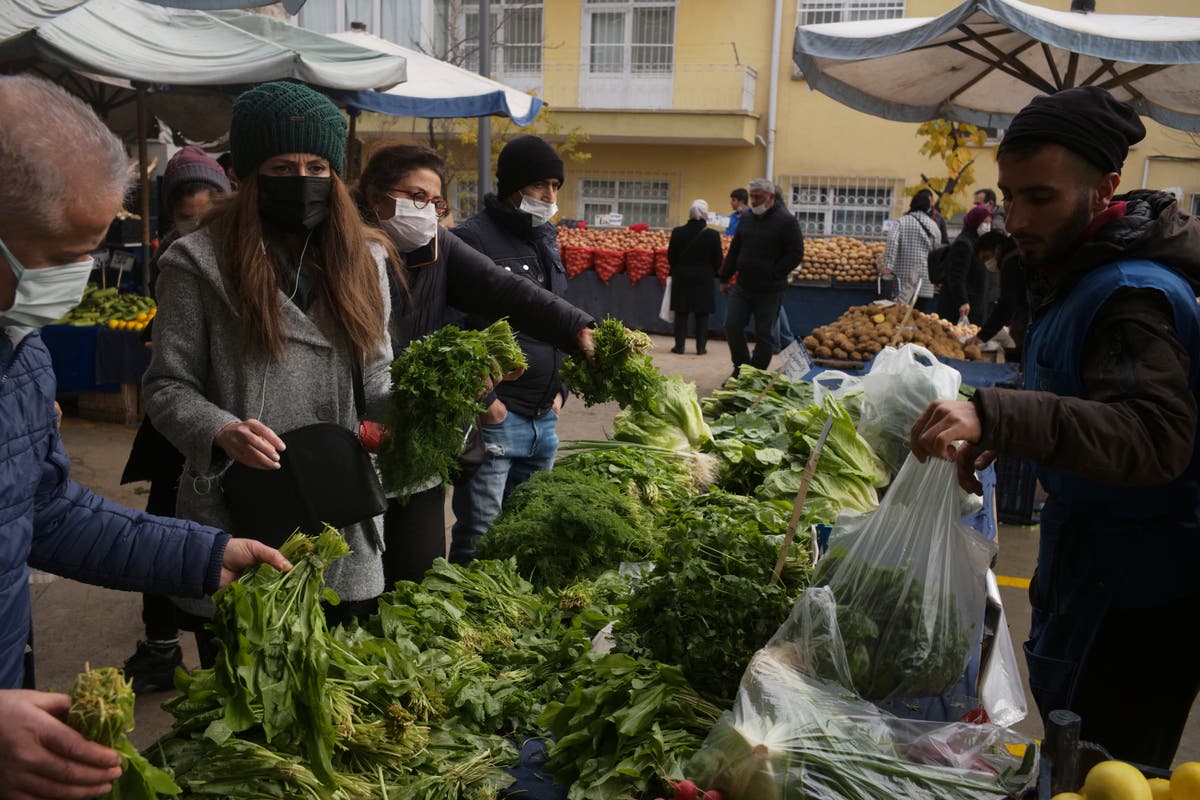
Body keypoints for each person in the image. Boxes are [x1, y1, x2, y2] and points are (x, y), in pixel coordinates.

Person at [0, 73, 287, 800]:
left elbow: (47, 511)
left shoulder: (21, 354)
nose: (77, 278)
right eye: (61, 254)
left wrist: (204, 551)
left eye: (90, 253)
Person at [910, 85, 1200, 768]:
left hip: (1142, 598)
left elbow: (1152, 434)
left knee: (1111, 770)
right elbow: (1079, 387)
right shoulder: (1081, 272)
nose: (1015, 217)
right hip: (1094, 566)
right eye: (1009, 195)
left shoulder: (1134, 294)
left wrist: (998, 413)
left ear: (1106, 188)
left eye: (1040, 197)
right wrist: (998, 425)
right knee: (1074, 756)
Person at [143, 81, 395, 655]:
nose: (303, 180)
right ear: (246, 174)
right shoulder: (196, 263)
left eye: (317, 166)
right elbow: (166, 387)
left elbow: (377, 378)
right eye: (283, 166)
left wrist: (434, 403)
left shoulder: (365, 259)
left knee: (337, 698)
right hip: (241, 507)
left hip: (339, 509)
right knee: (244, 697)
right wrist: (219, 430)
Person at [354, 143, 594, 581]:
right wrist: (487, 397)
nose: (427, 211)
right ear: (374, 196)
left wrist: (576, 328)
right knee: (360, 572)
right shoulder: (343, 253)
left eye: (436, 201)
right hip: (356, 438)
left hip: (416, 437)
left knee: (417, 569)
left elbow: (504, 290)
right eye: (417, 197)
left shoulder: (439, 244)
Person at [448, 135, 594, 565]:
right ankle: (465, 621)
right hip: (498, 418)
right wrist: (487, 402)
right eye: (539, 186)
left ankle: (511, 622)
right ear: (512, 185)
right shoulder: (470, 240)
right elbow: (453, 329)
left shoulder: (546, 239)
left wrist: (560, 391)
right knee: (480, 534)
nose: (550, 196)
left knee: (528, 530)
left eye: (555, 186)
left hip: (543, 418)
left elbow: (557, 315)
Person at [119, 146, 230, 693]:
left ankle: (209, 651)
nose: (197, 228)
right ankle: (162, 646)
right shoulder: (174, 264)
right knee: (163, 533)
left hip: (229, 436)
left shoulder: (237, 261)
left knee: (215, 543)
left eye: (208, 216)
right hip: (174, 436)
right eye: (187, 218)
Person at [718, 178, 805, 372]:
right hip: (743, 285)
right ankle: (740, 367)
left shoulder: (786, 221)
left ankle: (755, 374)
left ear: (771, 197)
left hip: (770, 289)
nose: (754, 201)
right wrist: (724, 277)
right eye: (752, 197)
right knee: (732, 325)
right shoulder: (747, 218)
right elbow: (735, 249)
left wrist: (775, 273)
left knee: (765, 334)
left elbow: (796, 253)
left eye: (759, 197)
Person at [666, 199, 723, 355]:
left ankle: (679, 347)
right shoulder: (713, 235)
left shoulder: (677, 232)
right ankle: (701, 347)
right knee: (702, 314)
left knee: (681, 312)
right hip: (704, 278)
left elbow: (671, 256)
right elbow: (718, 259)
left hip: (681, 276)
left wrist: (680, 267)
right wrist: (709, 270)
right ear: (705, 215)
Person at [969, 229, 1027, 353]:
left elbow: (1006, 303)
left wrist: (983, 335)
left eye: (987, 257)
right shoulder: (1017, 251)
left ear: (997, 248)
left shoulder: (1012, 260)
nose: (987, 263)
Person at [880, 191, 940, 312]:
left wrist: (887, 267)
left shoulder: (902, 222)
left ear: (912, 205)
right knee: (919, 318)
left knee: (900, 316)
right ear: (928, 208)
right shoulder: (934, 226)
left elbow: (892, 243)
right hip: (925, 282)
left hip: (905, 283)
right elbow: (937, 253)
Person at [936, 203, 990, 325]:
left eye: (989, 222)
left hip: (974, 304)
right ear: (975, 222)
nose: (987, 226)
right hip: (961, 307)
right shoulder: (964, 243)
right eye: (984, 222)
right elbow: (956, 276)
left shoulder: (978, 242)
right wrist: (963, 301)